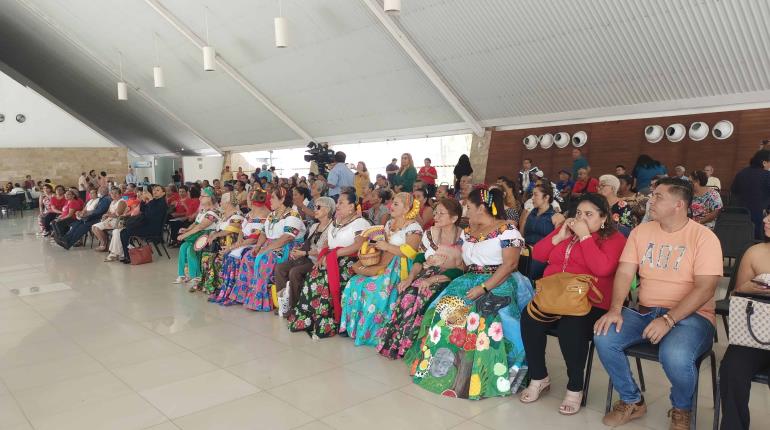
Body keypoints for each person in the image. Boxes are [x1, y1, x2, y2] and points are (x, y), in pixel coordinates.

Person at [593, 177, 723, 429]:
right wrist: (615, 309)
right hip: (646, 312)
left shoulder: (704, 238)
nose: (650, 200)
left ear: (679, 204)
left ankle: (681, 408)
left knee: (674, 354)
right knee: (604, 333)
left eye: (658, 196)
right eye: (652, 195)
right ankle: (632, 400)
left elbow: (706, 287)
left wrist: (669, 319)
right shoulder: (641, 232)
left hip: (692, 317)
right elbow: (624, 272)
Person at [406, 187, 533, 399]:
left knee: (480, 316)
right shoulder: (468, 232)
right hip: (470, 278)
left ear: (481, 207)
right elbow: (465, 263)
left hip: (498, 279)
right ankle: (443, 370)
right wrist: (440, 264)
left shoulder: (508, 231)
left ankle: (481, 375)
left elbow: (510, 265)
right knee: (443, 308)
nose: (466, 211)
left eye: (469, 207)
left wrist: (484, 288)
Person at [520, 193, 626, 415]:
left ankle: (575, 386)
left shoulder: (614, 239)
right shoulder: (569, 233)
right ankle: (540, 377)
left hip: (590, 302)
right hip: (554, 297)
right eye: (578, 213)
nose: (581, 218)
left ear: (603, 218)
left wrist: (586, 237)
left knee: (572, 326)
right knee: (529, 318)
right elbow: (537, 255)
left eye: (589, 214)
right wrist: (559, 236)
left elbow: (602, 269)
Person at [376, 198, 464, 359]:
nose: (435, 216)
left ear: (454, 218)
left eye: (441, 213)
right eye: (435, 212)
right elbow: (419, 258)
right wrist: (410, 277)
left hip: (448, 278)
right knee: (407, 293)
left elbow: (461, 268)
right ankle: (396, 343)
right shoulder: (430, 233)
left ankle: (411, 347)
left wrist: (433, 280)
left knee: (423, 296)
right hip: (427, 273)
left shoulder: (463, 237)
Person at [340, 192, 423, 346]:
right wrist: (370, 248)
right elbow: (380, 243)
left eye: (396, 204)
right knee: (354, 283)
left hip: (399, 267)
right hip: (383, 261)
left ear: (406, 208)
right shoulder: (389, 224)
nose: (391, 206)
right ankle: (353, 328)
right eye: (392, 202)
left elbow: (411, 252)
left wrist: (387, 246)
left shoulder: (413, 227)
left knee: (373, 289)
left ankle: (373, 333)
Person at [288, 189, 370, 338]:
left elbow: (358, 245)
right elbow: (326, 242)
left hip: (347, 260)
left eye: (341, 203)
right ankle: (308, 319)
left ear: (351, 206)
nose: (337, 206)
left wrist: (335, 254)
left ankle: (327, 321)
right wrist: (322, 256)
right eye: (337, 202)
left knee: (322, 279)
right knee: (312, 277)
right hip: (330, 257)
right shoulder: (335, 222)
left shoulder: (360, 223)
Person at [718, 212, 770, 430]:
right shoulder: (755, 252)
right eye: (767, 215)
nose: (765, 220)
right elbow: (737, 297)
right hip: (756, 331)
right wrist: (744, 289)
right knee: (731, 369)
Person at [226, 187, 306, 311]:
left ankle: (259, 300)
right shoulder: (272, 214)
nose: (270, 200)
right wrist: (258, 247)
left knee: (265, 259)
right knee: (248, 257)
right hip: (270, 244)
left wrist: (266, 249)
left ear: (283, 199)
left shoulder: (292, 215)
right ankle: (244, 295)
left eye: (273, 197)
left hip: (286, 247)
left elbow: (287, 238)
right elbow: (263, 233)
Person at [274, 196, 335, 314]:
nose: (315, 210)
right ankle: (283, 302)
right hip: (306, 258)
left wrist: (304, 252)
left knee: (295, 272)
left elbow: (325, 250)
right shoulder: (314, 226)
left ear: (327, 210)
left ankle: (294, 307)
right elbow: (308, 244)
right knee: (280, 268)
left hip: (318, 261)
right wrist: (298, 251)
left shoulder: (332, 228)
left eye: (318, 207)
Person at [210, 189, 271, 303]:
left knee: (232, 256)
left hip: (254, 245)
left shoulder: (266, 214)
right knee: (229, 255)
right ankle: (227, 290)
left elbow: (254, 238)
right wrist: (238, 242)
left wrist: (233, 246)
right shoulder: (250, 213)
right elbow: (242, 230)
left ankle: (236, 293)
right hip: (243, 243)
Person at [196, 192, 244, 294]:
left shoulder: (238, 214)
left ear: (228, 202)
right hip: (219, 243)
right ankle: (209, 284)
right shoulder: (223, 214)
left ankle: (218, 285)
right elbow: (217, 227)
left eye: (222, 200)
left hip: (231, 244)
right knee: (206, 256)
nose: (220, 202)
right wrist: (213, 234)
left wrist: (216, 235)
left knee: (216, 259)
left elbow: (232, 230)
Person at [174, 188, 220, 288]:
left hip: (206, 236)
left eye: (203, 196)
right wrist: (186, 230)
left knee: (191, 249)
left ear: (210, 198)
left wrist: (185, 235)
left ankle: (196, 276)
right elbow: (195, 223)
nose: (200, 198)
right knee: (183, 247)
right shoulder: (203, 211)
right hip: (197, 234)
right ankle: (182, 274)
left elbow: (201, 226)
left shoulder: (214, 212)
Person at [118, 185, 168, 264]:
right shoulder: (154, 201)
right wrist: (143, 200)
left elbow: (152, 214)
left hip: (153, 228)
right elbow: (142, 210)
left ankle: (128, 256)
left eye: (158, 190)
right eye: (154, 190)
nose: (154, 191)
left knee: (125, 232)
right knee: (124, 231)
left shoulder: (162, 203)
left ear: (163, 193)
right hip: (146, 225)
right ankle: (128, 254)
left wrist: (150, 199)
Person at [730, 150, 770, 239]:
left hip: (740, 216)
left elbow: (734, 190)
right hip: (760, 219)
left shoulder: (741, 173)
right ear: (764, 163)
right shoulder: (767, 175)